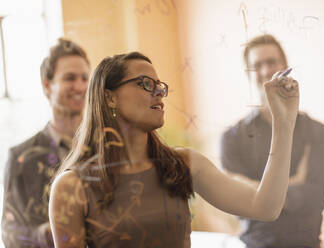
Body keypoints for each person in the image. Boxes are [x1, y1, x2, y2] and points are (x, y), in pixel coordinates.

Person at [49, 51, 299, 248]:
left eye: (160, 86)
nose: (159, 92)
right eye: (145, 84)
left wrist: (284, 123)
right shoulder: (72, 187)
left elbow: (265, 207)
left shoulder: (184, 164)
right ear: (109, 98)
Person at [221, 34, 324, 248]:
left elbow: (315, 199)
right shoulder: (232, 138)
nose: (265, 71)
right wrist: (294, 183)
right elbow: (235, 203)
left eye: (271, 62)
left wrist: (255, 192)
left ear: (285, 66)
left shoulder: (318, 132)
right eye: (257, 65)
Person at [1, 38, 90, 247]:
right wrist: (45, 233)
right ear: (47, 85)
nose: (80, 86)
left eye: (85, 78)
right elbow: (9, 233)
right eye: (70, 78)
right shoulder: (21, 158)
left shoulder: (108, 147)